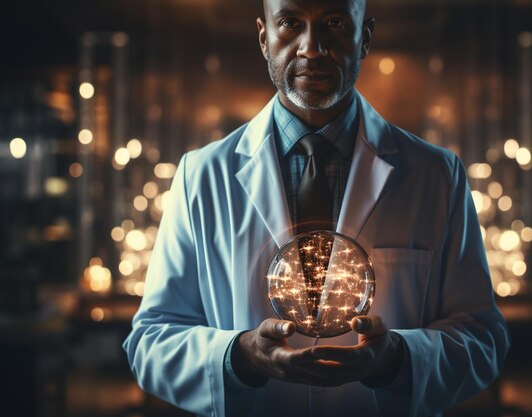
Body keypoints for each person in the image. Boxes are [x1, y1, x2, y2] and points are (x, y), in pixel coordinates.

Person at [123, 0, 511, 416]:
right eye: (290, 22)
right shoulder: (200, 175)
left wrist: (396, 358)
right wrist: (240, 357)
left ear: (365, 38)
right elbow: (152, 342)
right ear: (263, 37)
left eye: (336, 23)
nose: (312, 47)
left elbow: (482, 340)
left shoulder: (436, 175)